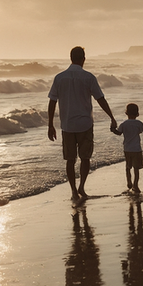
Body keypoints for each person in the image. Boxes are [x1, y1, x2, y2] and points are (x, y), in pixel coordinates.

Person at [48, 46, 117, 202]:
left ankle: (73, 190)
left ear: (71, 58)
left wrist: (50, 124)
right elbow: (100, 99)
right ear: (83, 59)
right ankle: (82, 187)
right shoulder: (88, 77)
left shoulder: (59, 78)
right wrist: (111, 117)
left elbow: (52, 101)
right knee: (85, 158)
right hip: (85, 124)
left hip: (67, 125)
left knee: (70, 160)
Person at [111, 103, 143, 192]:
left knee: (128, 167)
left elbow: (118, 133)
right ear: (137, 114)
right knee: (136, 168)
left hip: (127, 149)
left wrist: (112, 129)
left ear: (126, 113)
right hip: (137, 149)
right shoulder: (139, 123)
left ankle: (129, 182)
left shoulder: (124, 124)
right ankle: (135, 185)